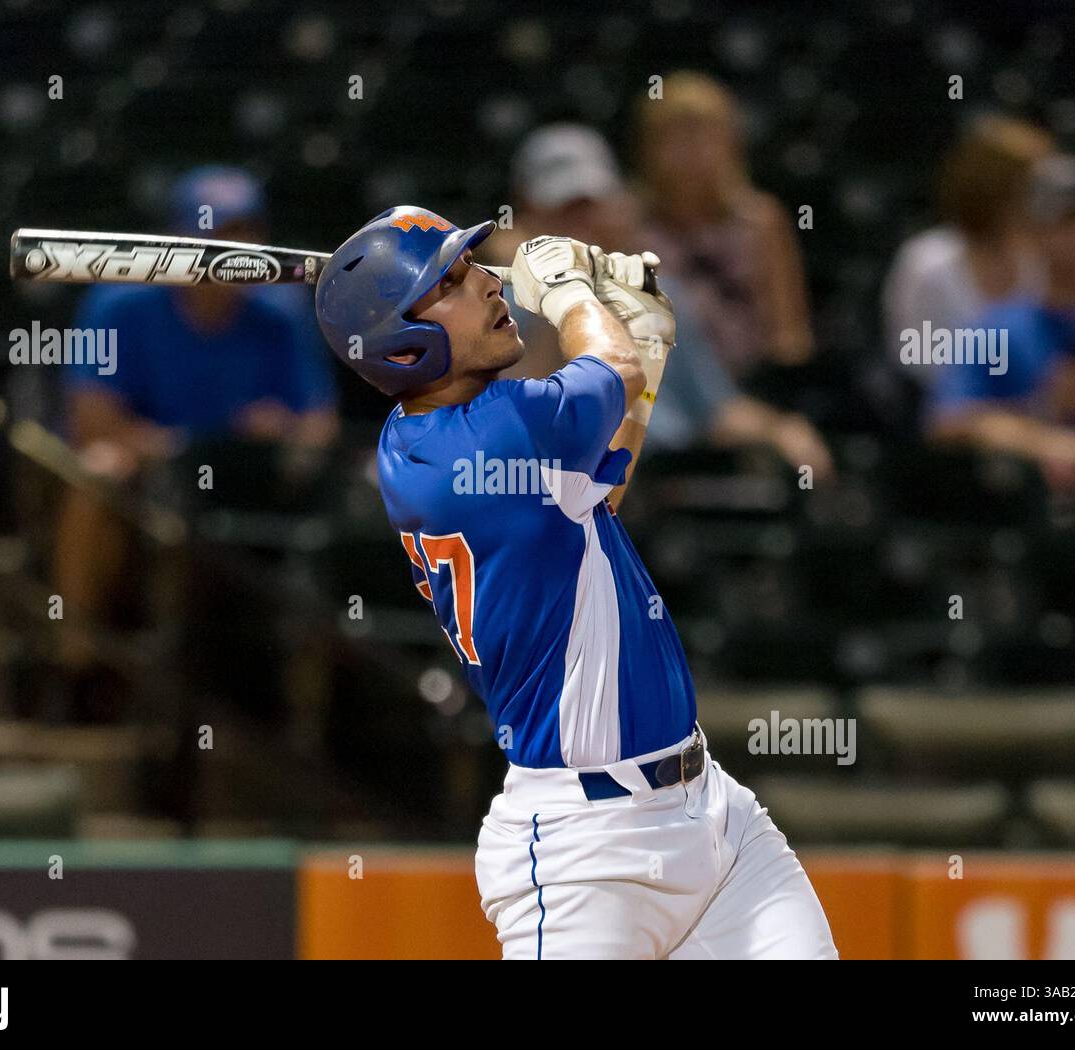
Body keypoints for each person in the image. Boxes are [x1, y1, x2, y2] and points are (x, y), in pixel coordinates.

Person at [314, 206, 838, 959]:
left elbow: (595, 488)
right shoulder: (483, 440)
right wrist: (568, 290)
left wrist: (643, 346)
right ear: (404, 347)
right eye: (455, 282)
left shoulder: (444, 440)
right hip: (582, 855)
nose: (493, 284)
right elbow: (611, 373)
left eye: (474, 267)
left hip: (714, 818)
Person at [51, 166, 339, 719]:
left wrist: (285, 435)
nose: (241, 249)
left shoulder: (279, 314)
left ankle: (307, 708)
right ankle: (78, 663)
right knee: (98, 470)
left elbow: (317, 424)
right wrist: (185, 445)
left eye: (248, 233)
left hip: (245, 482)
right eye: (222, 236)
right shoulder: (120, 304)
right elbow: (93, 423)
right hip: (150, 477)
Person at [494, 123, 833, 474]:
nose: (581, 225)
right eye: (564, 211)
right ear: (528, 212)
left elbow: (717, 412)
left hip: (669, 478)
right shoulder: (496, 304)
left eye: (591, 208)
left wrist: (779, 431)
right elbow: (524, 417)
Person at [928, 155, 1075, 489]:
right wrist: (1041, 420)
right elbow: (946, 425)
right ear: (1031, 235)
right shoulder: (997, 328)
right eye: (1059, 222)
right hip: (1036, 508)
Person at [634, 71, 815, 379]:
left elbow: (789, 334)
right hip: (661, 386)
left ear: (731, 143)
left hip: (749, 380)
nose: (691, 151)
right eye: (676, 136)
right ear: (649, 147)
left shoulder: (760, 220)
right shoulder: (626, 223)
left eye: (703, 135)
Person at [883, 115, 1053, 388]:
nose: (1043, 201)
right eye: (1031, 189)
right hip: (948, 411)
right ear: (994, 189)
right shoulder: (928, 261)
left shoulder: (1044, 261)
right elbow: (913, 354)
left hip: (1041, 408)